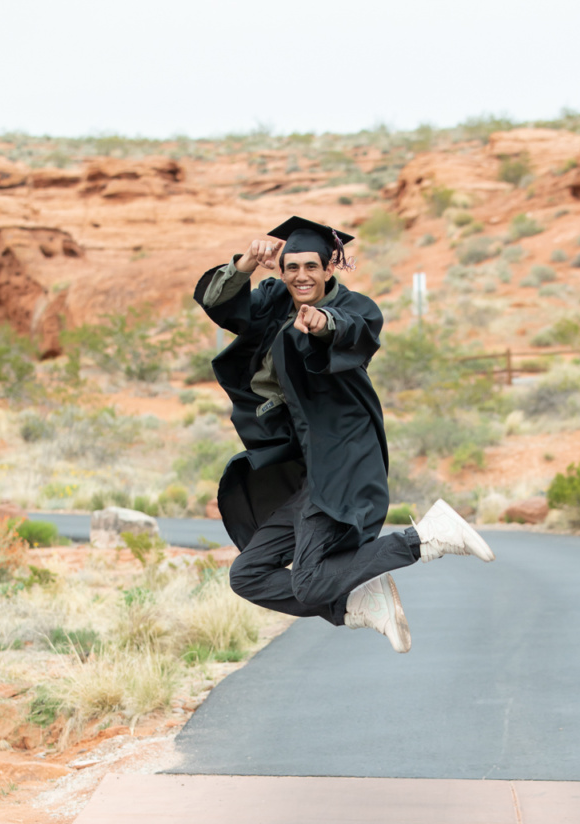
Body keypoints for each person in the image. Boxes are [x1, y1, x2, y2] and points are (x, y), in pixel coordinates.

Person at [193, 215, 494, 654]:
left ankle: (426, 537)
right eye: (291, 267)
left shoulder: (354, 307)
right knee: (248, 575)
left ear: (329, 267)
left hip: (341, 455)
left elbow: (354, 329)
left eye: (311, 267)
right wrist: (242, 266)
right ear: (282, 271)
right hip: (302, 466)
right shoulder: (274, 301)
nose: (301, 276)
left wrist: (322, 325)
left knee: (311, 580)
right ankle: (355, 603)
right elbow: (222, 306)